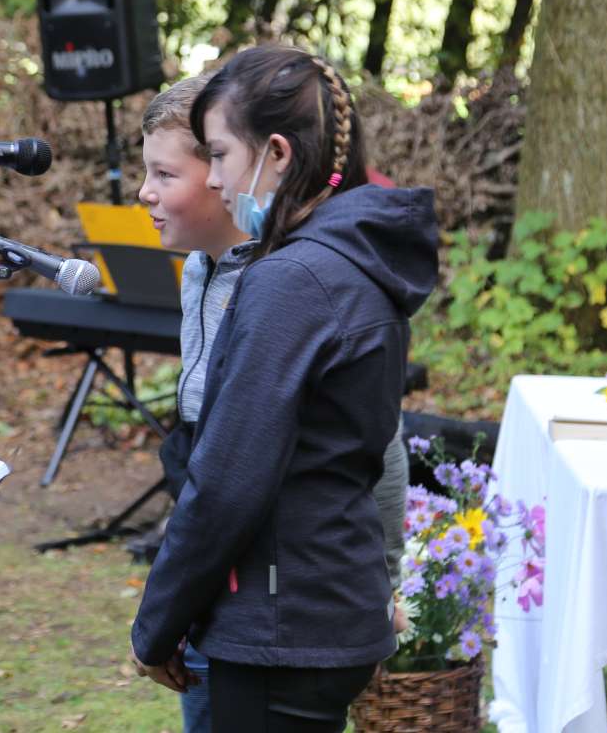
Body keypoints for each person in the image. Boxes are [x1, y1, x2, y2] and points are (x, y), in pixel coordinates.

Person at [130, 46, 438, 732]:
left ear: (273, 153)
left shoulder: (291, 280)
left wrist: (155, 625)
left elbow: (230, 481)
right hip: (315, 606)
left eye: (220, 156)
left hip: (283, 617)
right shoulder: (345, 256)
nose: (217, 181)